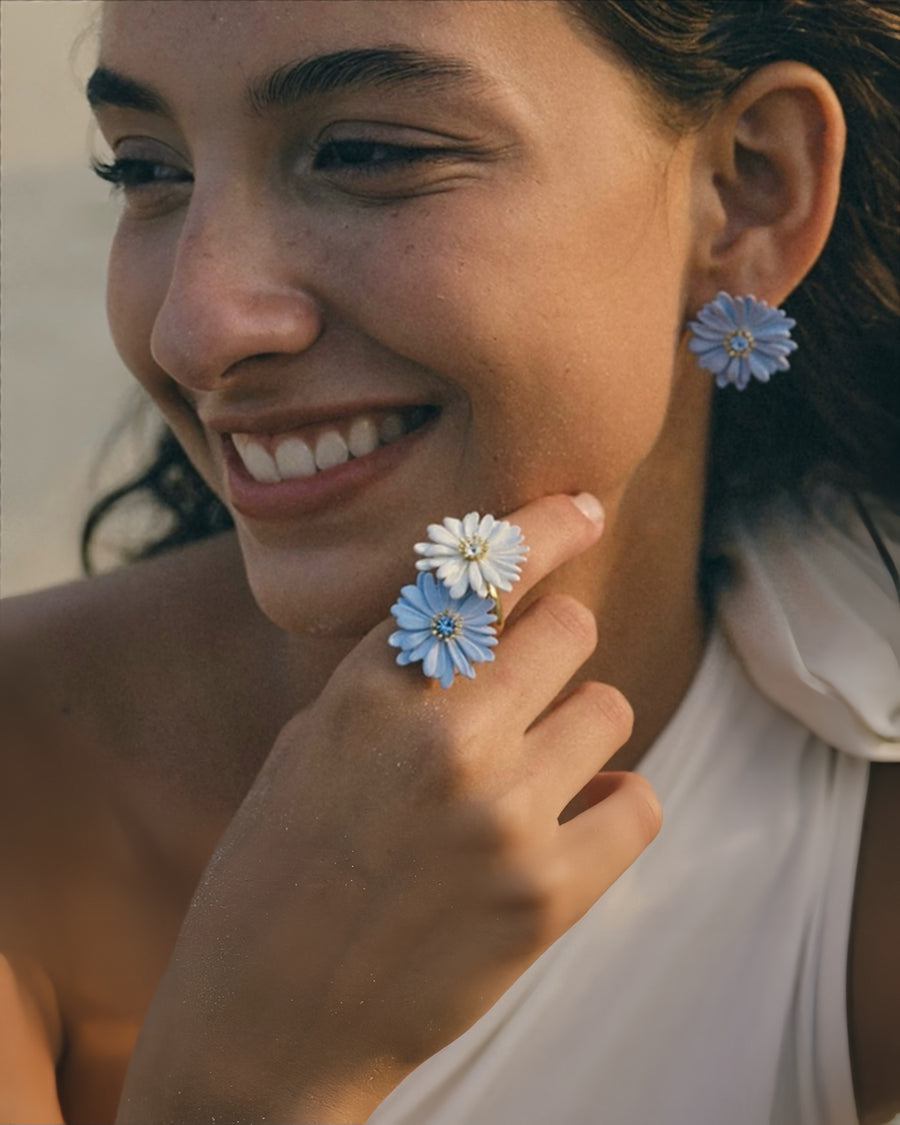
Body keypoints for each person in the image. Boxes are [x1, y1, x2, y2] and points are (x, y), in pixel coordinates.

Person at [1, 1, 898, 1122]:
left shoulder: (858, 828)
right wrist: (249, 1069)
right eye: (146, 170)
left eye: (367, 152)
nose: (197, 325)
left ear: (749, 193)